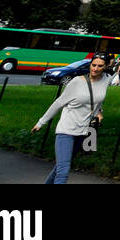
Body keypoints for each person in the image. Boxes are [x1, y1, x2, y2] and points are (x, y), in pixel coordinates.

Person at [31, 52, 110, 184]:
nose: (95, 69)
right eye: (93, 65)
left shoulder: (106, 79)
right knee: (63, 171)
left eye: (100, 66)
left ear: (105, 67)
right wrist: (41, 122)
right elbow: (58, 103)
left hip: (83, 131)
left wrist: (99, 112)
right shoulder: (77, 82)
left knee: (60, 168)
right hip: (66, 130)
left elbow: (97, 99)